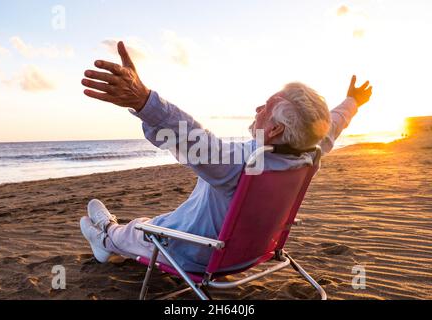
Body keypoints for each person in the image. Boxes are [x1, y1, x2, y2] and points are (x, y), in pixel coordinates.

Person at [80, 41, 373, 273]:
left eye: (267, 106)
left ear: (274, 129)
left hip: (192, 252)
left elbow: (191, 136)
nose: (258, 106)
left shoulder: (242, 164)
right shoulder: (310, 152)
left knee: (140, 230)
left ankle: (105, 236)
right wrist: (353, 102)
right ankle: (113, 235)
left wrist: (143, 100)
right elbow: (333, 123)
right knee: (152, 222)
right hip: (251, 251)